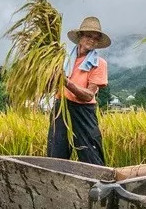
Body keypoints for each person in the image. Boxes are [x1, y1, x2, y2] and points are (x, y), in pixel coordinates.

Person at [46, 16, 110, 165]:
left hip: (83, 112)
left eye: (96, 38)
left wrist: (66, 81)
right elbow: (50, 86)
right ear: (80, 36)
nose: (92, 40)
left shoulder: (98, 64)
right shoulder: (64, 59)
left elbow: (88, 95)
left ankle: (98, 185)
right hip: (60, 109)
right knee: (56, 154)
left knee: (91, 155)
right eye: (88, 35)